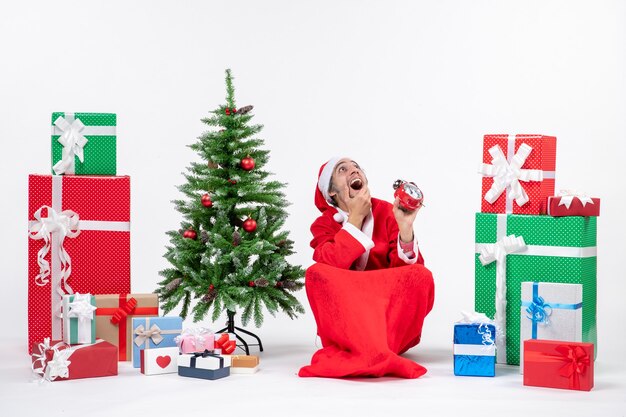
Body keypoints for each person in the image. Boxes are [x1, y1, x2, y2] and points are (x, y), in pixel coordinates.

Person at [298, 157, 435, 379]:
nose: (353, 170)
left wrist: (405, 227)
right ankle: (372, 352)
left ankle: (378, 349)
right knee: (316, 273)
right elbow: (331, 265)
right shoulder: (324, 224)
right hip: (348, 319)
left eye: (356, 167)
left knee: (421, 275)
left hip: (385, 313)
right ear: (331, 191)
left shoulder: (387, 211)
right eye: (342, 169)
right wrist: (355, 218)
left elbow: (404, 278)